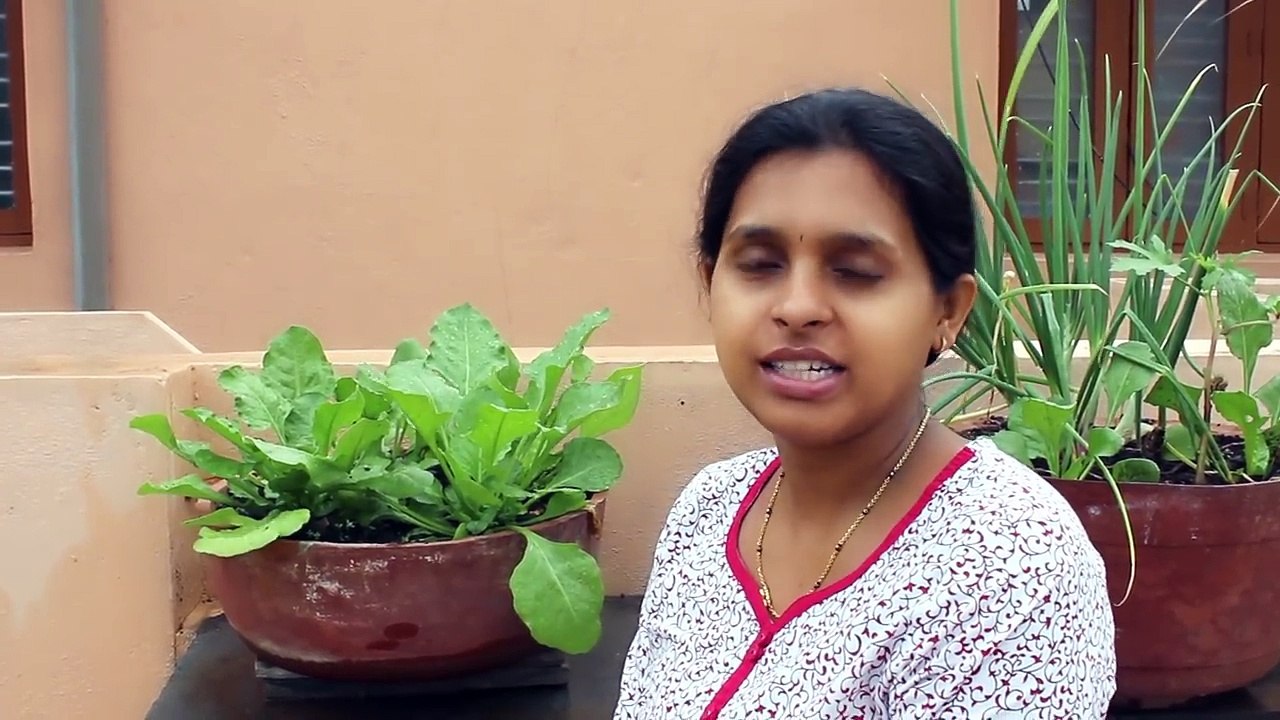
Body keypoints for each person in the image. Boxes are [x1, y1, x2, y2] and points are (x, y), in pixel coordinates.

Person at [612, 87, 1116, 719]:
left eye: (855, 271)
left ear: (947, 311)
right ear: (710, 282)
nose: (797, 307)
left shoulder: (1011, 565)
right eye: (761, 263)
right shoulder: (708, 513)